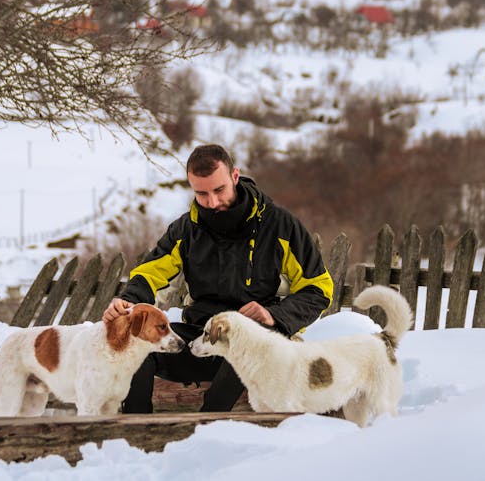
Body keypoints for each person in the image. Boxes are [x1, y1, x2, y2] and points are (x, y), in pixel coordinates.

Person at [103, 144, 333, 413]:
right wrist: (128, 303)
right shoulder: (186, 229)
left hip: (258, 343)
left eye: (219, 190)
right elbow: (149, 273)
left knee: (250, 340)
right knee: (138, 345)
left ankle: (207, 427)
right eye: (201, 193)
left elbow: (319, 289)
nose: (211, 202)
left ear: (235, 176)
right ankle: (136, 433)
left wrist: (276, 315)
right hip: (202, 338)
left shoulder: (280, 225)